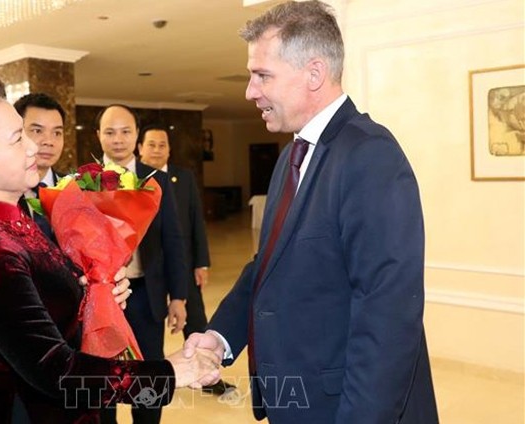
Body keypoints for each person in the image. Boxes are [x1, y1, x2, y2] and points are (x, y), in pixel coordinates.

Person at [0, 75, 219, 423]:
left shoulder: (10, 219)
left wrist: (92, 297)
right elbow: (57, 372)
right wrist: (171, 373)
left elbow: (35, 314)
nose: (35, 147)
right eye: (19, 138)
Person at [183, 1, 439, 423]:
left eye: (262, 75)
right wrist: (219, 336)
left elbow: (387, 316)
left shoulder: (370, 155)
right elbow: (267, 265)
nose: (249, 91)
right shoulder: (291, 157)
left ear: (314, 73)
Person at [95, 105, 189, 424]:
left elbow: (174, 240)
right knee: (102, 380)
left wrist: (178, 297)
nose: (117, 139)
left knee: (148, 378)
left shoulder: (156, 181)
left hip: (146, 295)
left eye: (125, 132)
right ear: (98, 137)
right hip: (103, 300)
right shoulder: (82, 182)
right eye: (110, 132)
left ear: (136, 136)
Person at [137, 125, 235, 396]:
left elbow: (196, 222)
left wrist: (201, 262)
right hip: (150, 269)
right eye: (151, 144)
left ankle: (209, 377)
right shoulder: (133, 181)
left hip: (183, 264)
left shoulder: (184, 177)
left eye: (162, 145)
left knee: (197, 321)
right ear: (140, 148)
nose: (157, 150)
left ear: (169, 149)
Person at [13, 93, 65, 241]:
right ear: (17, 133)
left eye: (57, 133)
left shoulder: (76, 191)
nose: (49, 141)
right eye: (37, 131)